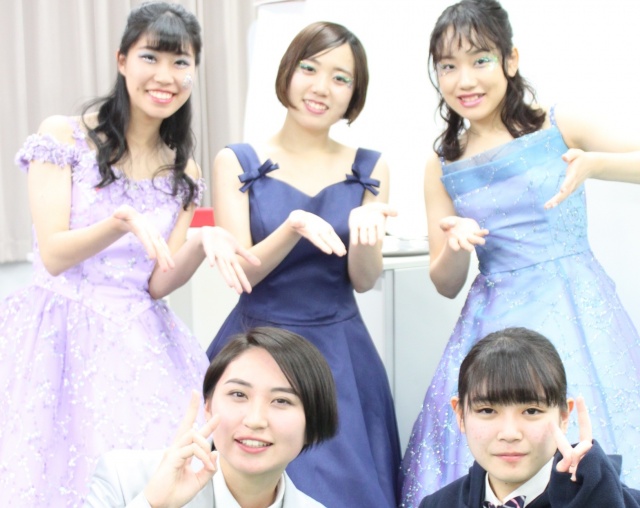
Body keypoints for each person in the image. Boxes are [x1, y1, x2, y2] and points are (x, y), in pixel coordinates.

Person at [0, 3, 258, 506]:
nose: (165, 76)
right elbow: (53, 254)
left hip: (142, 340)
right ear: (122, 61)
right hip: (58, 331)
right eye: (150, 57)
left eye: (180, 62)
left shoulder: (184, 171)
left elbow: (157, 283)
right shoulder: (64, 135)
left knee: (155, 476)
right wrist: (118, 223)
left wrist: (200, 241)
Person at [400, 0, 640, 504]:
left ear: (511, 59)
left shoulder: (558, 125)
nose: (465, 79)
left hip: (577, 310)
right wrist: (457, 243)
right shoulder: (441, 163)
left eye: (480, 59)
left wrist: (596, 165)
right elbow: (445, 283)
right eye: (448, 66)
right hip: (493, 318)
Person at [204, 21, 400, 508]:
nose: (321, 87)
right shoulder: (237, 161)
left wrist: (366, 235)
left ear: (354, 94)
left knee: (345, 489)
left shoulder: (370, 168)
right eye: (310, 68)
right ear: (288, 72)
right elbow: (243, 274)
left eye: (341, 78)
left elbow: (364, 279)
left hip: (341, 354)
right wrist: (292, 227)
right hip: (257, 345)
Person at [84, 326, 338, 508]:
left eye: (281, 401)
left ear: (313, 424)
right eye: (238, 394)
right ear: (208, 407)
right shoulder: (124, 479)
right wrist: (154, 505)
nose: (255, 420)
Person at [418, 327, 640, 508]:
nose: (509, 434)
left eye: (531, 411)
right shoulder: (437, 504)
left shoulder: (617, 501)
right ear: (460, 415)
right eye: (487, 410)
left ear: (564, 416)